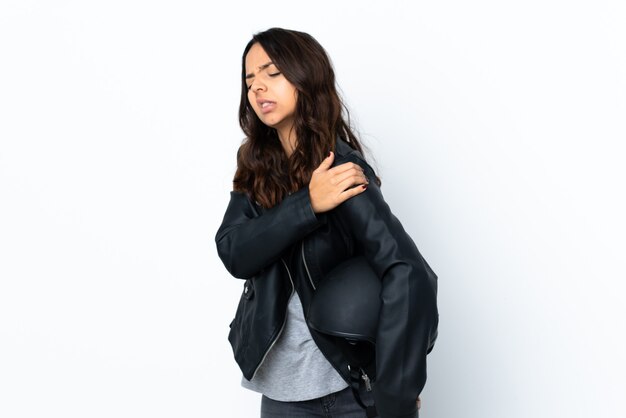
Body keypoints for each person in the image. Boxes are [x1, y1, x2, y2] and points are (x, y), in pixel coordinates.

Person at [215, 27, 439, 418]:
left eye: (272, 73)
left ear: (305, 76)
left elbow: (409, 273)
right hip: (281, 392)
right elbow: (235, 252)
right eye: (250, 80)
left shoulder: (340, 169)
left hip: (349, 390)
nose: (258, 89)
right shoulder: (256, 166)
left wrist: (396, 392)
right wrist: (308, 205)